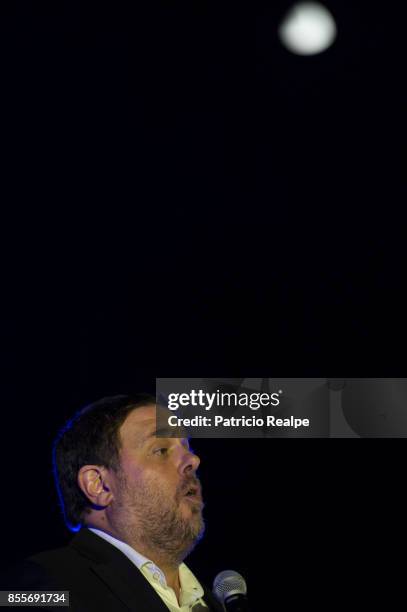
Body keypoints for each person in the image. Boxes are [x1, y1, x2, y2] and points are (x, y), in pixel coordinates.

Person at [3, 394, 222, 611]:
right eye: (161, 450)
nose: (193, 460)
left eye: (187, 448)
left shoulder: (215, 600)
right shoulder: (42, 587)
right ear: (99, 485)